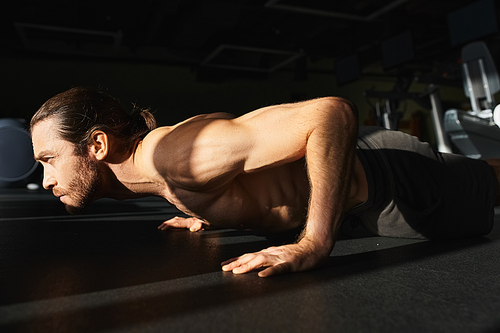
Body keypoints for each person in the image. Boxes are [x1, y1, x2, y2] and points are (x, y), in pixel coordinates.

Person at [30, 87, 499, 277]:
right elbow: (227, 184)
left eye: (49, 159)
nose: (47, 179)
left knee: (488, 185)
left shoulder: (174, 156)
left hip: (390, 181)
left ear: (96, 146)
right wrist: (201, 213)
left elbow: (330, 114)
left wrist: (314, 242)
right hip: (362, 204)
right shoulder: (150, 177)